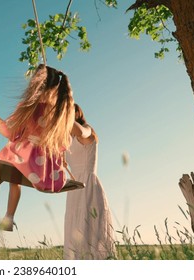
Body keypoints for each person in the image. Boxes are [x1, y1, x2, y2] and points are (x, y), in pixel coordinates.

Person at [0, 64, 75, 237]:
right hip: (46, 170)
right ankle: (9, 218)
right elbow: (64, 143)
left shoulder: (28, 106)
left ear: (35, 85)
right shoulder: (60, 113)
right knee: (15, 179)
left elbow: (9, 132)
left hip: (25, 159)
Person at [63, 103, 116, 259]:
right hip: (74, 188)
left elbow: (78, 131)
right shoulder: (67, 139)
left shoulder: (87, 130)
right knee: (75, 230)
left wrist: (60, 113)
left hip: (88, 185)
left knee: (91, 229)